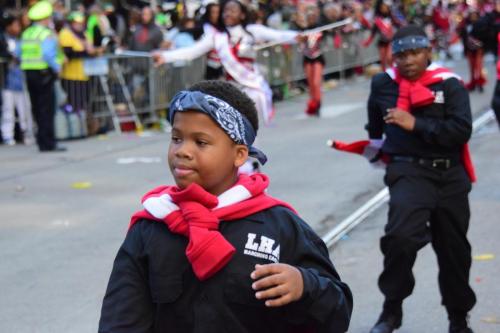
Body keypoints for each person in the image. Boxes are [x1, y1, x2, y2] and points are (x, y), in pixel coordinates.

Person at [98, 80, 353, 333]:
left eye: (201, 142)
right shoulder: (151, 227)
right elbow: (120, 319)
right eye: (176, 138)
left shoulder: (279, 226)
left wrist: (304, 285)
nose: (182, 151)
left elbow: (337, 313)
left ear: (239, 155)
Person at [365, 25, 476, 333]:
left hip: (450, 175)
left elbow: (461, 131)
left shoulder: (449, 84)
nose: (408, 60)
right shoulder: (382, 84)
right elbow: (374, 128)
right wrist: (375, 150)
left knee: (453, 250)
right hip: (409, 171)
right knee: (400, 238)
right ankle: (391, 310)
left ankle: (458, 318)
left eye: (415, 53)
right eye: (401, 54)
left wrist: (416, 124)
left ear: (428, 52)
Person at [153, 0, 301, 126]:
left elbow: (278, 35)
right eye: (226, 11)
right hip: (232, 90)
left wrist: (298, 37)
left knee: (252, 123)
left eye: (233, 10)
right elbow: (193, 51)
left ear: (242, 14)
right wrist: (165, 57)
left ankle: (250, 158)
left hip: (252, 86)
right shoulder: (217, 37)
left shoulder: (252, 31)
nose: (228, 13)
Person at [20, 1, 65, 152]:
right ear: (45, 18)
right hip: (44, 74)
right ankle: (48, 143)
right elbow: (47, 54)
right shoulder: (45, 34)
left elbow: (19, 53)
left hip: (29, 73)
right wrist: (57, 67)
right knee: (47, 109)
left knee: (37, 109)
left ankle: (41, 141)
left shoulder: (26, 33)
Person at [1, 13, 34, 146]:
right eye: (15, 25)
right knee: (8, 110)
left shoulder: (22, 39)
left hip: (22, 80)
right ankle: (7, 135)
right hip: (7, 81)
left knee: (25, 109)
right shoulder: (3, 39)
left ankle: (27, 133)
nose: (18, 27)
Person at [363, 0, 402, 71]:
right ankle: (385, 74)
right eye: (382, 7)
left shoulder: (391, 17)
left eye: (385, 7)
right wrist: (368, 42)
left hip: (390, 41)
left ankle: (394, 71)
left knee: (389, 58)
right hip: (382, 42)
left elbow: (398, 25)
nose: (384, 8)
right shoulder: (377, 20)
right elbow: (373, 32)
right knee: (383, 61)